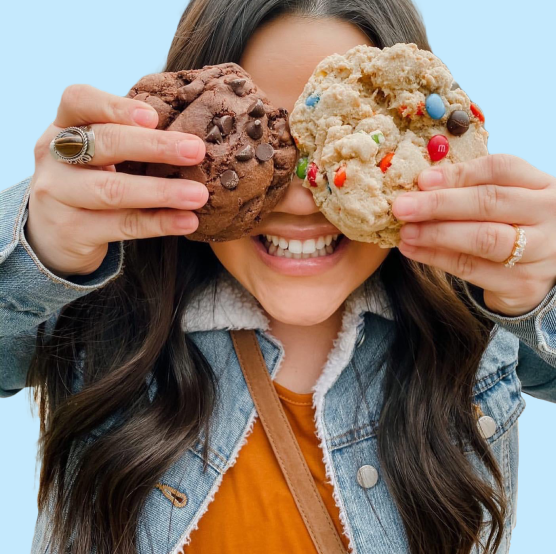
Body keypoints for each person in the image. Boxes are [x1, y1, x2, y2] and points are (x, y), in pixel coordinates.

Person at [1, 0, 555, 553]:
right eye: (263, 140)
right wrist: (37, 246)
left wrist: (544, 296)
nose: (297, 200)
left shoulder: (485, 319)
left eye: (332, 144)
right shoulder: (93, 303)